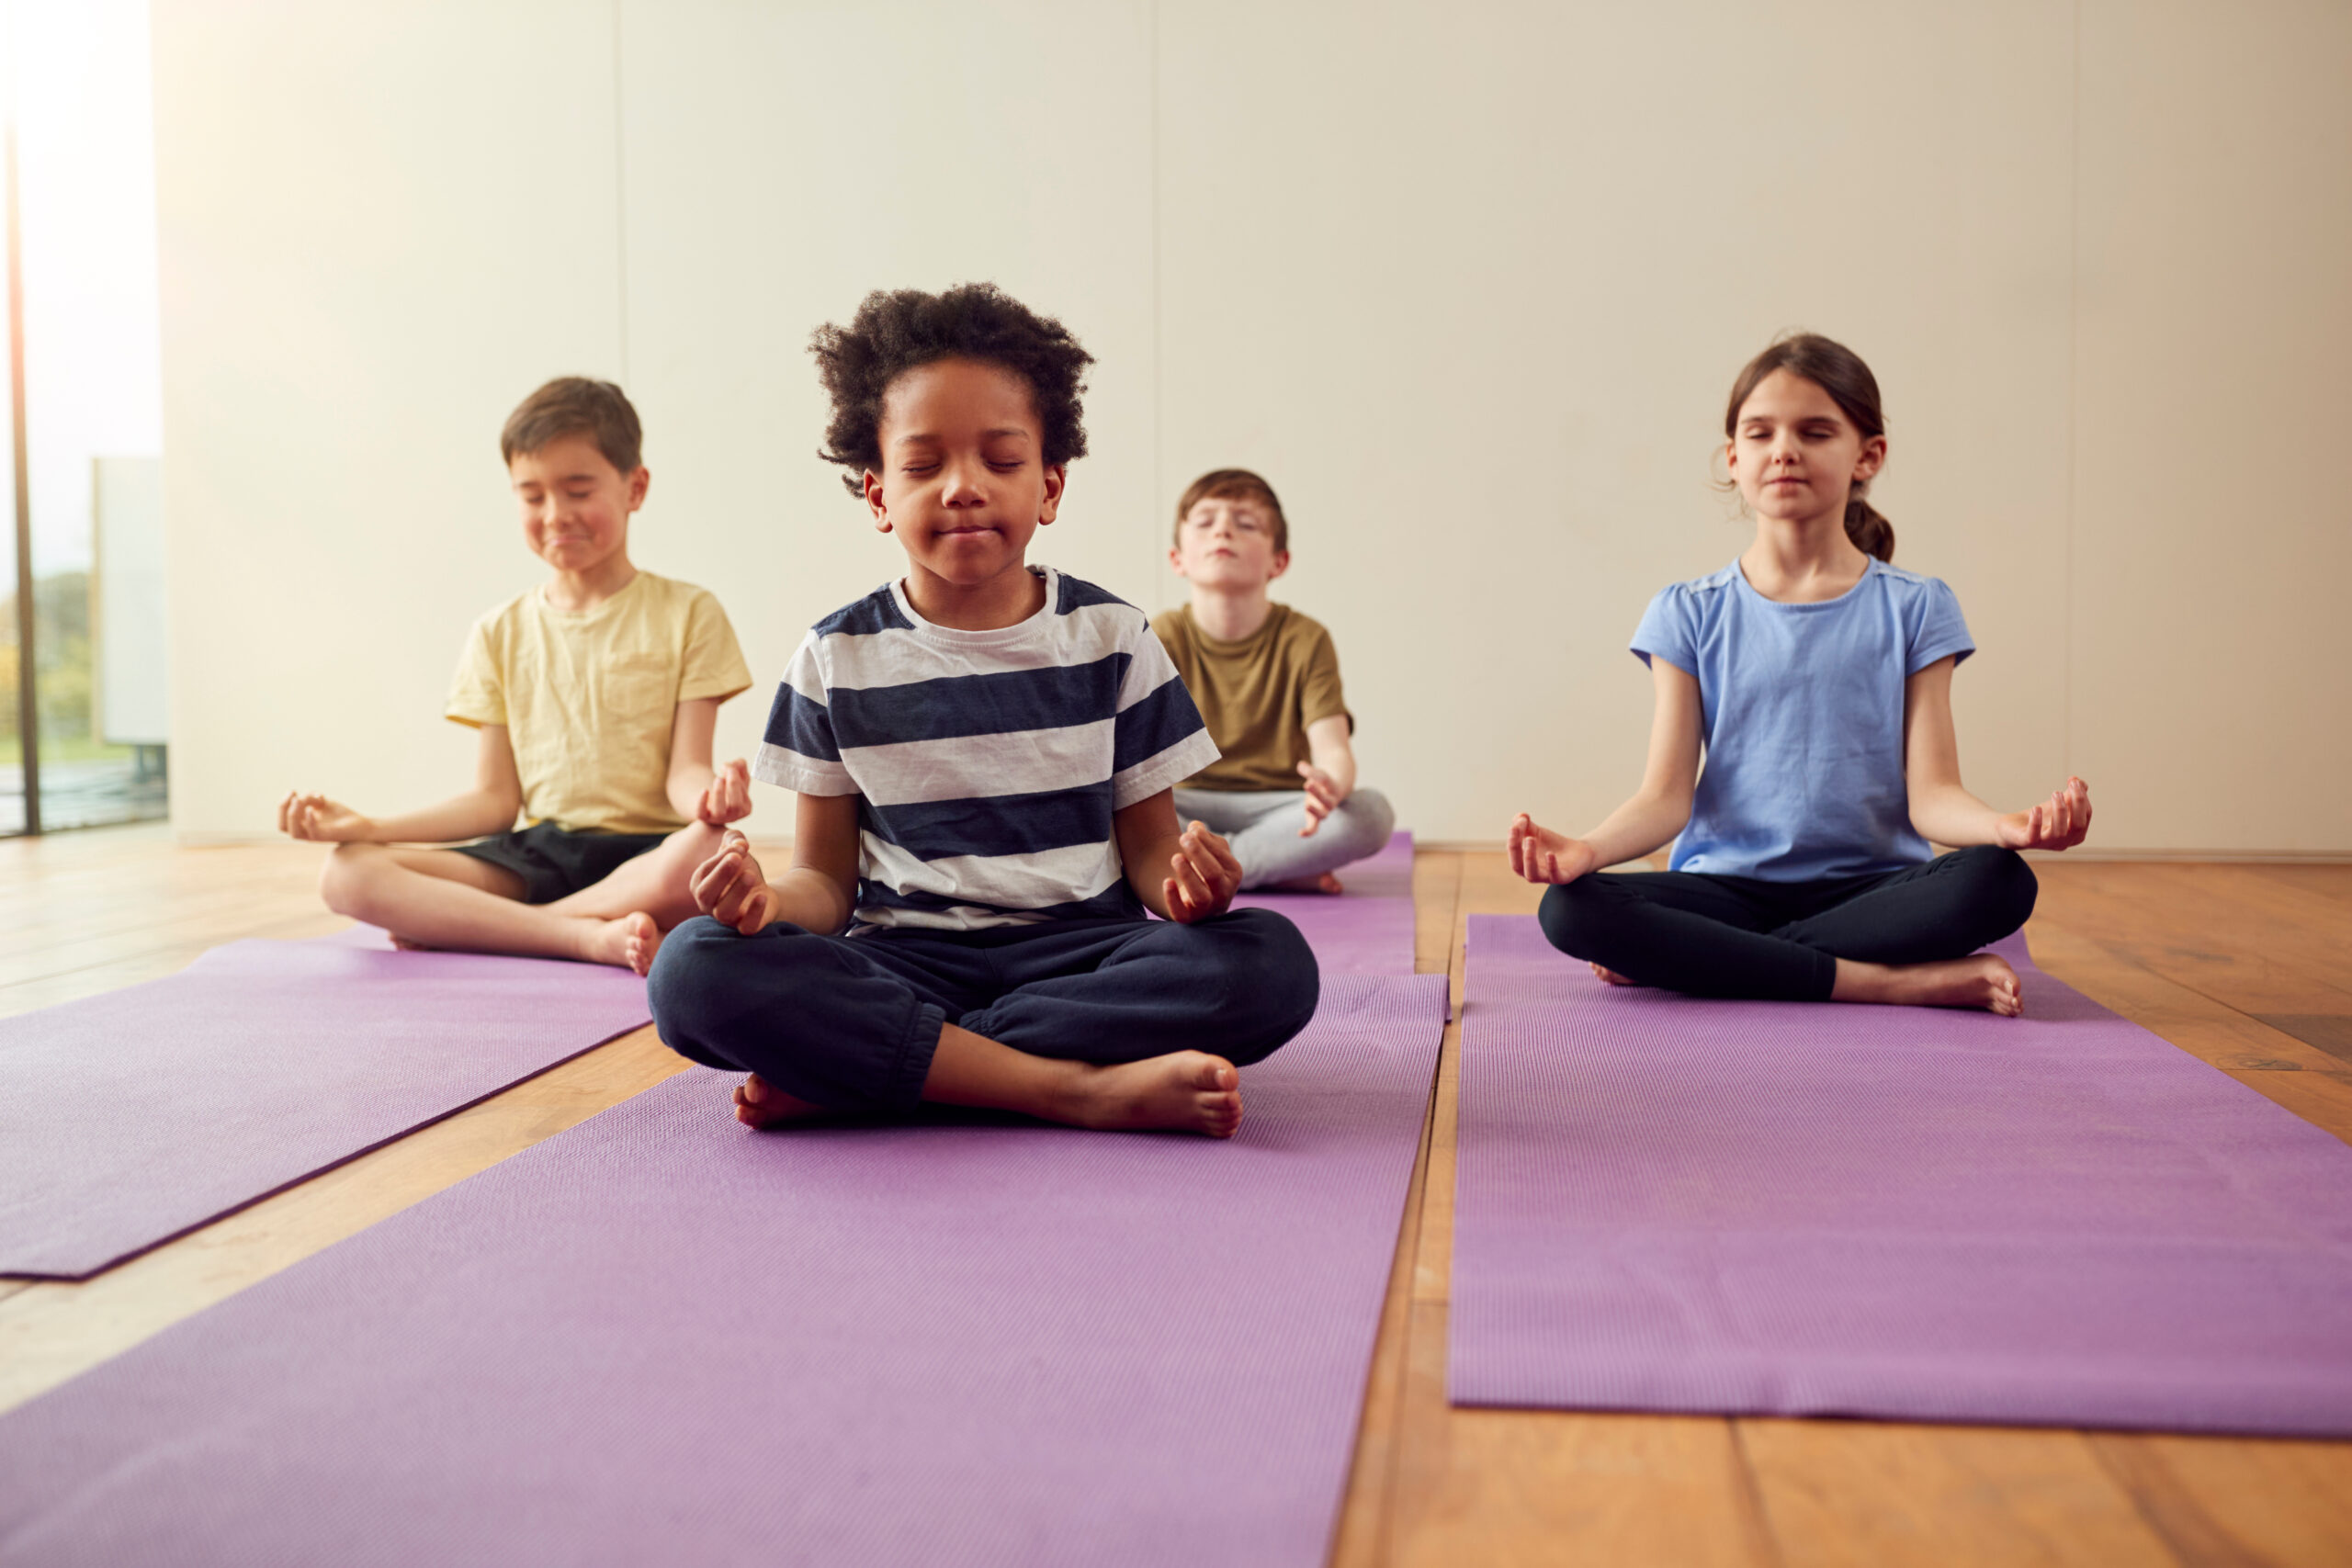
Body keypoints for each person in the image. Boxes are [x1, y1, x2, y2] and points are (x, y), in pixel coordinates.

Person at [647, 285, 1318, 1137]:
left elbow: (1149, 850)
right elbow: (823, 882)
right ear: (879, 494)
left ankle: (900, 1071)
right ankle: (1070, 1088)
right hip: (907, 960)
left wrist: (1190, 893)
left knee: (1271, 965)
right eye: (924, 466)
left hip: (1085, 956)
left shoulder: (1112, 639)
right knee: (691, 972)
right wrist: (763, 906)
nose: (963, 488)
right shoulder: (832, 658)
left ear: (1049, 486)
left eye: (999, 462)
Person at [1508, 333, 2090, 1013]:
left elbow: (1932, 796)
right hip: (1725, 887)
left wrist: (2006, 828)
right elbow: (1666, 798)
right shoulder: (1686, 611)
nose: (1784, 449)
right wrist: (1585, 849)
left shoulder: (1918, 606)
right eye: (1760, 433)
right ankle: (1885, 981)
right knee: (1570, 909)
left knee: (2000, 881)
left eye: (1815, 432)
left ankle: (1720, 960)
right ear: (1734, 457)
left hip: (1872, 889)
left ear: (1867, 455)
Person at [278, 377, 755, 974]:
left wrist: (708, 801)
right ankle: (581, 936)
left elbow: (685, 771)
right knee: (347, 869)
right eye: (532, 497)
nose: (556, 515)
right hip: (539, 855)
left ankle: (492, 929)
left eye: (578, 490)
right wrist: (369, 826)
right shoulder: (497, 631)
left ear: (635, 487)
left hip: (648, 855)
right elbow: (494, 801)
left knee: (715, 848)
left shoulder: (691, 612)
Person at [1153, 468, 1396, 893]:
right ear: (1178, 559)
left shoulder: (1306, 638)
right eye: (1206, 522)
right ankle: (1272, 869)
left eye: (1246, 524)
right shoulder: (1160, 635)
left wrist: (1331, 786)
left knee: (1371, 814)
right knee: (1102, 806)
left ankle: (1214, 868)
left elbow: (1334, 750)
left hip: (1279, 805)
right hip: (1185, 804)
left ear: (1278, 561)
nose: (1224, 530)